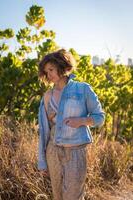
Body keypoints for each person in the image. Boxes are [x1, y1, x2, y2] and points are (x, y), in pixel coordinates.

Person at [38, 49, 105, 200]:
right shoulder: (47, 95)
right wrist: (42, 161)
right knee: (58, 196)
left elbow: (100, 117)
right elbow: (44, 130)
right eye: (46, 72)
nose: (49, 75)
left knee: (73, 196)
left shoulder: (83, 89)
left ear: (62, 66)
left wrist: (81, 121)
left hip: (75, 152)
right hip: (53, 151)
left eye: (51, 70)